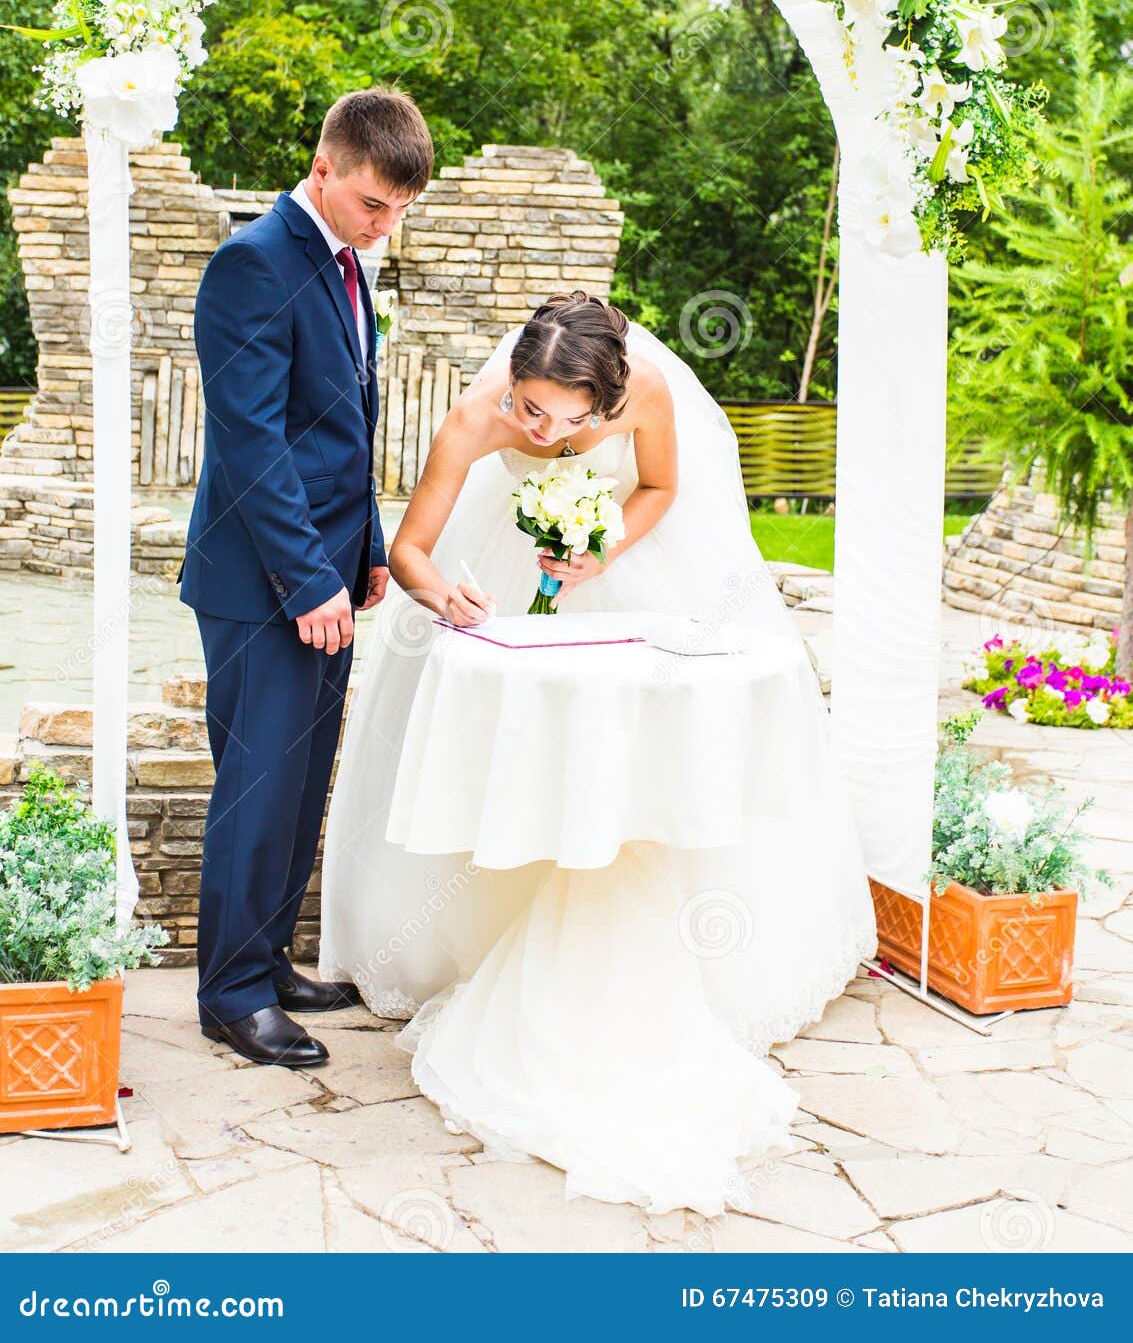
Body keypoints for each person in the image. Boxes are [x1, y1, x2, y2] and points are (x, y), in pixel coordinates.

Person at [320, 291, 877, 1212]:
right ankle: (484, 943)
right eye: (531, 410)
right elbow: (411, 549)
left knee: (640, 758)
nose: (543, 431)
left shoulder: (645, 395)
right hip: (501, 586)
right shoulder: (480, 414)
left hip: (624, 586)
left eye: (571, 419)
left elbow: (658, 487)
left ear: (606, 400)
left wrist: (602, 548)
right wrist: (442, 600)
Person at [180, 86, 433, 1068]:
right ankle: (231, 993)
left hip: (327, 574)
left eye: (400, 210)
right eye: (374, 204)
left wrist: (364, 548)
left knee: (300, 780)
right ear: (323, 168)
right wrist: (305, 578)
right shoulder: (250, 264)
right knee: (257, 784)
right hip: (259, 585)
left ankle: (269, 957)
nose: (386, 225)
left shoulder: (342, 263)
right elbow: (251, 444)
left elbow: (339, 430)